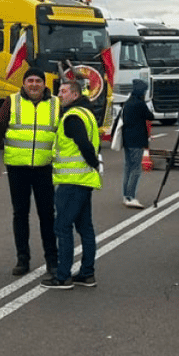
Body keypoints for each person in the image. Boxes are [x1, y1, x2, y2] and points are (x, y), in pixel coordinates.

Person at [0, 67, 60, 276]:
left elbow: (64, 133)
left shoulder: (56, 104)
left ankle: (52, 260)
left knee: (47, 215)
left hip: (45, 168)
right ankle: (22, 259)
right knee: (20, 214)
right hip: (17, 168)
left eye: (38, 81)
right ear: (24, 84)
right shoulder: (11, 102)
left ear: (44, 84)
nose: (34, 84)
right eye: (30, 81)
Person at [41, 73, 102, 289]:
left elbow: (84, 145)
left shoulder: (72, 117)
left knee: (63, 227)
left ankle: (63, 275)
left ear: (75, 94)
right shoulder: (87, 113)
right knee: (85, 228)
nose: (59, 94)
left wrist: (93, 161)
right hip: (84, 179)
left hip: (72, 181)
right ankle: (87, 273)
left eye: (63, 91)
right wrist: (94, 164)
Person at [119, 78, 153, 208]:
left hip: (127, 140)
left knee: (128, 167)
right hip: (137, 140)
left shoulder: (127, 103)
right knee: (136, 169)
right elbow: (150, 116)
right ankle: (131, 196)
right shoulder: (140, 104)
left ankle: (125, 195)